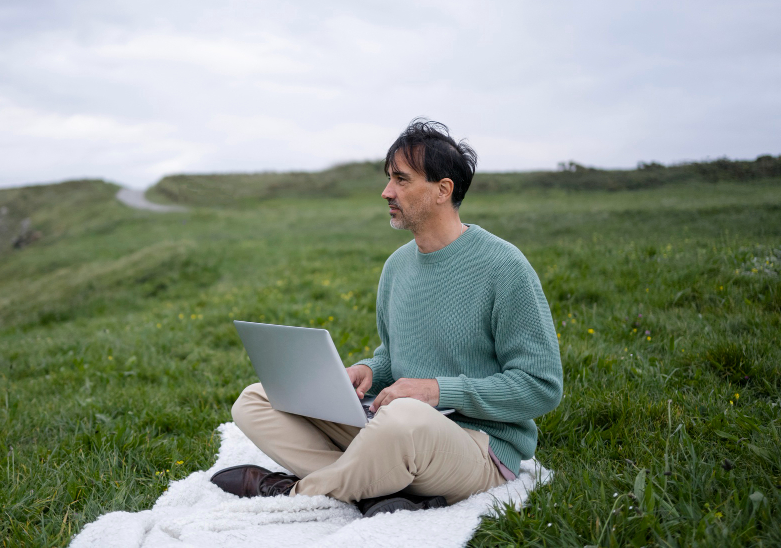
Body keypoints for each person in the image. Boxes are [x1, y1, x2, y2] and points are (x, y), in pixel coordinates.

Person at [211, 119, 563, 517]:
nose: (386, 192)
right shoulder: (397, 267)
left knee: (403, 419)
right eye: (388, 178)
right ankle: (378, 490)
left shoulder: (504, 266)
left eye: (401, 179)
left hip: (480, 448)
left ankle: (292, 491)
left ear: (442, 190)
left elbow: (542, 387)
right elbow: (396, 355)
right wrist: (367, 371)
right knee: (255, 400)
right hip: (399, 428)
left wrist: (437, 392)